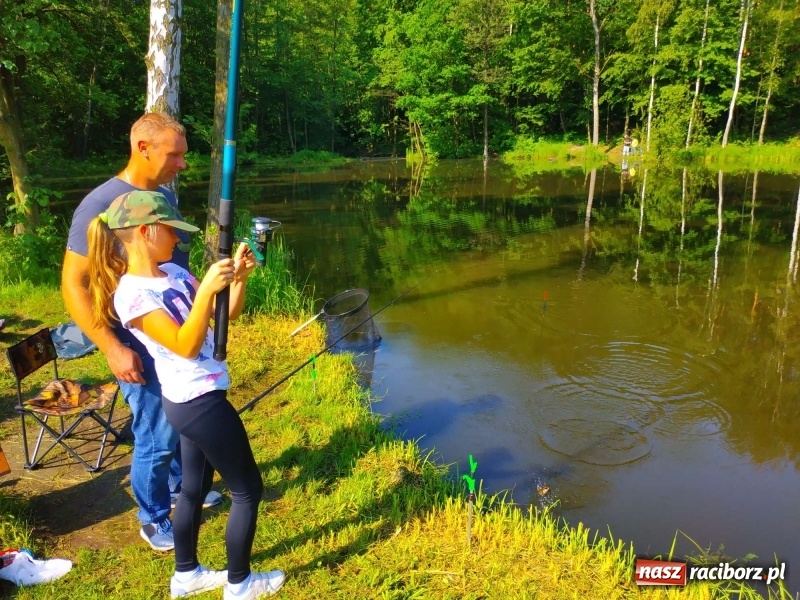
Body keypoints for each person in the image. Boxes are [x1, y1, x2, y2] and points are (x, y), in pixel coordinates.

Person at [87, 190, 285, 599]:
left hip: (196, 398)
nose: (177, 239)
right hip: (197, 402)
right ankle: (240, 585)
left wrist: (236, 281)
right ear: (145, 231)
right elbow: (185, 344)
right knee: (248, 489)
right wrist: (208, 287)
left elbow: (220, 320)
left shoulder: (175, 275)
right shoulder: (133, 295)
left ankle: (187, 575)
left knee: (193, 489)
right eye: (171, 231)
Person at [61, 112, 221, 552]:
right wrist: (111, 347)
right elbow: (72, 285)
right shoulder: (102, 204)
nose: (183, 165)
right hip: (136, 342)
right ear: (143, 148)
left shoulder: (162, 195)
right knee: (155, 432)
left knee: (180, 420)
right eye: (175, 155)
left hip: (174, 339)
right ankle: (152, 518)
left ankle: (177, 486)